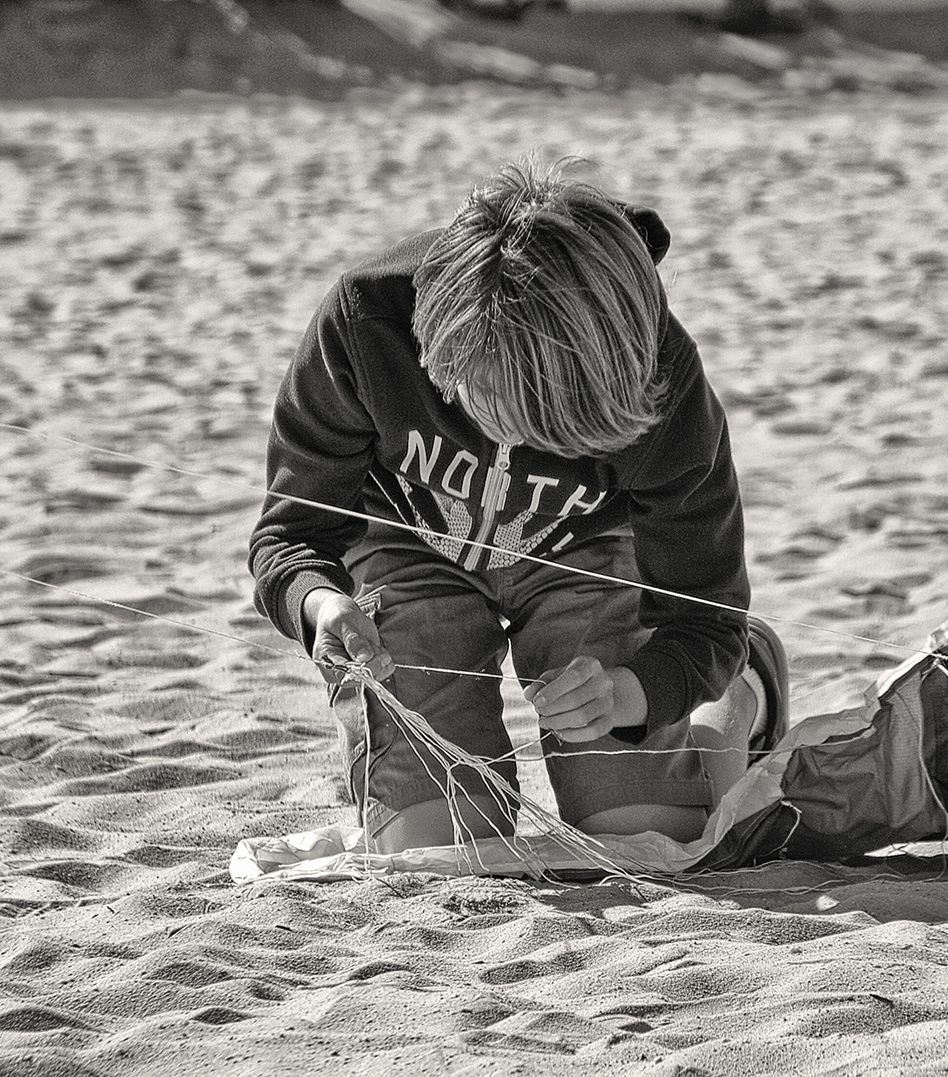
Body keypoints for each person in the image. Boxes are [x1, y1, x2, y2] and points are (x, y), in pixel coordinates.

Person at [249, 154, 780, 853]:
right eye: (495, 406)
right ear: (441, 348)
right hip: (406, 548)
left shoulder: (657, 373)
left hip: (585, 552)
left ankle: (743, 698)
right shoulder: (364, 322)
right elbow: (288, 537)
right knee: (438, 844)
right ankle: (383, 757)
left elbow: (705, 614)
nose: (513, 440)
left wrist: (627, 690)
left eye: (551, 430)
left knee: (644, 834)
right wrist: (321, 604)